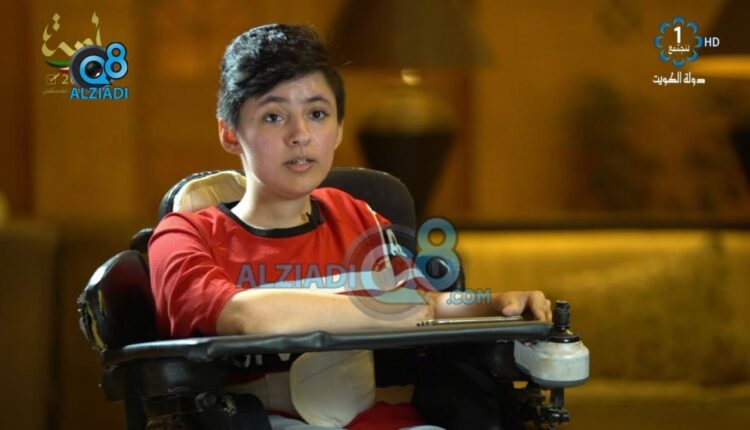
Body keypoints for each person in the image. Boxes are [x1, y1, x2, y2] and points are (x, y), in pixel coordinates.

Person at [148, 23, 551, 429]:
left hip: (378, 418)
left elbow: (426, 303)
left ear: (339, 128)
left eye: (317, 114)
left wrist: (496, 303)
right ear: (230, 133)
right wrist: (389, 310)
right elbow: (246, 317)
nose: (300, 135)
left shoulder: (356, 215)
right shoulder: (183, 235)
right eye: (273, 116)